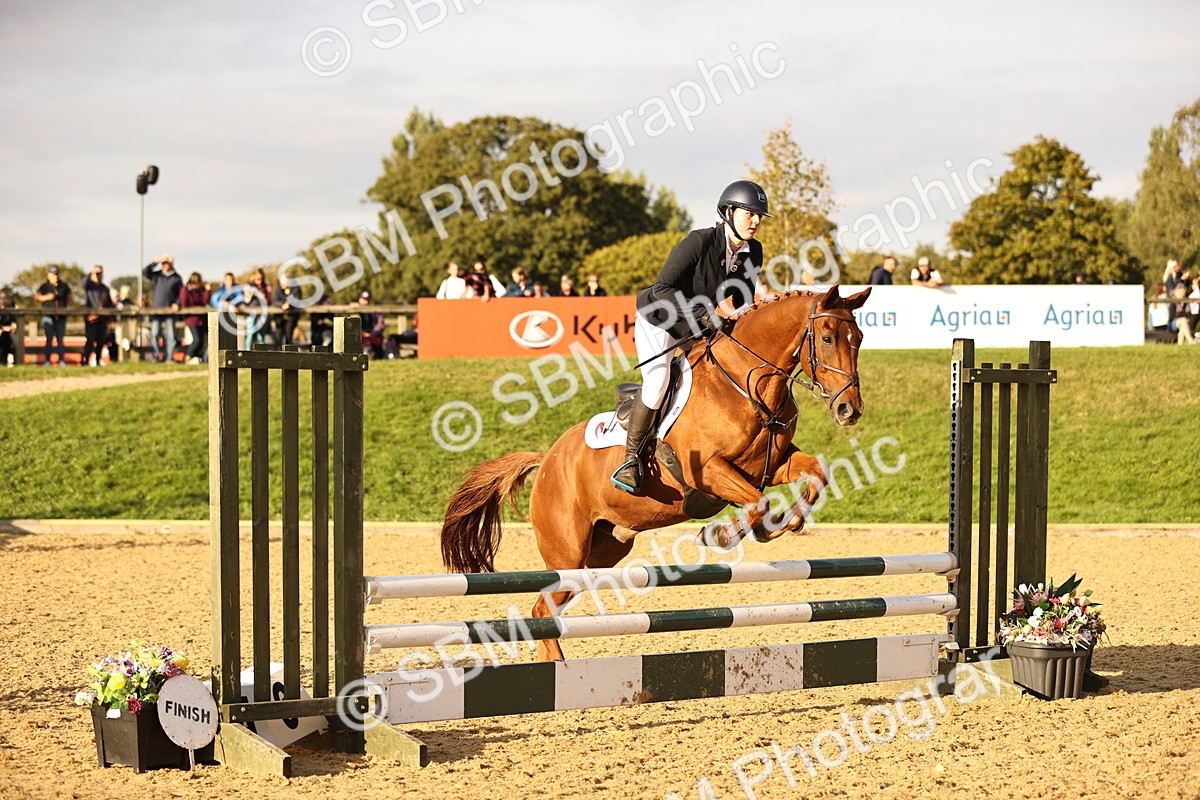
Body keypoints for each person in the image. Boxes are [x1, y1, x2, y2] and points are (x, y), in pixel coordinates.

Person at [611, 179, 772, 493]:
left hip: (701, 327)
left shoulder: (753, 252)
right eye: (749, 213)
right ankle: (630, 460)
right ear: (728, 212)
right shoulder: (698, 242)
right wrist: (707, 314)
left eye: (759, 216)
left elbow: (743, 300)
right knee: (657, 383)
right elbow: (661, 289)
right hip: (660, 320)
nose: (756, 221)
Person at [143, 253, 183, 362]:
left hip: (170, 311)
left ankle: (169, 357)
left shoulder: (176, 277)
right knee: (155, 333)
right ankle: (156, 356)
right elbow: (145, 272)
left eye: (167, 263)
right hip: (156, 310)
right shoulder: (157, 275)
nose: (165, 265)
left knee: (170, 335)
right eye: (164, 263)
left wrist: (177, 303)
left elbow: (181, 293)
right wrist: (156, 261)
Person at [34, 265, 71, 366]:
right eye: (53, 274)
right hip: (48, 316)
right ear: (49, 275)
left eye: (57, 274)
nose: (56, 276)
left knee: (60, 339)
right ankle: (47, 361)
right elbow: (37, 296)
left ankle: (62, 361)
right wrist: (47, 297)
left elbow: (70, 298)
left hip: (61, 316)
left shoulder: (64, 286)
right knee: (49, 339)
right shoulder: (44, 286)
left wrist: (68, 307)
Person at [81, 265, 114, 366]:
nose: (98, 275)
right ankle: (85, 361)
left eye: (100, 273)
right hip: (91, 318)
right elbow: (83, 282)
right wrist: (91, 272)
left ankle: (98, 360)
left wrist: (109, 317)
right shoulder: (89, 286)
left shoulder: (105, 288)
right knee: (90, 341)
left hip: (102, 319)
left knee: (101, 340)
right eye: (97, 273)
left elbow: (109, 303)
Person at [179, 272, 211, 363]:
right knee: (196, 340)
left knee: (201, 341)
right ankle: (188, 356)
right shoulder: (185, 290)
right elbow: (184, 303)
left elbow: (204, 301)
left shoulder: (200, 290)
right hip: (191, 319)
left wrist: (207, 291)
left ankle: (196, 358)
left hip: (201, 319)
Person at [272, 276, 303, 345]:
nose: (282, 284)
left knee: (288, 337)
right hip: (279, 318)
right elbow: (274, 301)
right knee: (278, 337)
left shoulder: (296, 288)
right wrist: (282, 305)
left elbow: (297, 300)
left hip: (291, 317)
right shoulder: (278, 289)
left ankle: (288, 353)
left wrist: (289, 304)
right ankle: (278, 353)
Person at [358, 290, 386, 357]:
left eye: (367, 300)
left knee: (378, 341)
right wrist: (361, 333)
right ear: (359, 299)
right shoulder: (355, 312)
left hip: (373, 335)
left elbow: (380, 324)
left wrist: (372, 333)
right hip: (360, 335)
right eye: (364, 299)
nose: (366, 302)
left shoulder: (374, 311)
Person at [0, 290, 17, 367]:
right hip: (2, 332)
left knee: (13, 340)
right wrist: (2, 328)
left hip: (9, 333)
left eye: (5, 298)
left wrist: (12, 326)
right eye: (1, 298)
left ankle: (12, 363)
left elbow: (14, 321)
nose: (3, 300)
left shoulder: (10, 309)